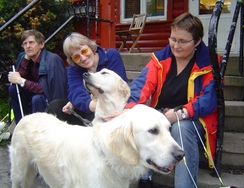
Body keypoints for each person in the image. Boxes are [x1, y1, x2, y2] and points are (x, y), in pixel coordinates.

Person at [105, 12, 219, 188]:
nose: (176, 45)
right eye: (173, 39)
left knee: (182, 127)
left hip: (193, 120)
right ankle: (145, 176)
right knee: (146, 123)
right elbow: (142, 85)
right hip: (162, 116)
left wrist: (180, 113)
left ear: (197, 42)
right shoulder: (160, 59)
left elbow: (209, 99)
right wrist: (129, 109)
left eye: (183, 41)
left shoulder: (209, 63)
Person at [46, 32, 128, 125]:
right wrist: (88, 104)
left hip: (113, 107)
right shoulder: (74, 69)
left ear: (91, 47)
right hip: (89, 107)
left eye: (84, 51)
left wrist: (76, 102)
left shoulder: (111, 56)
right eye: (76, 57)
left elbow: (118, 86)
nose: (83, 58)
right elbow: (75, 91)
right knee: (55, 107)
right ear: (72, 60)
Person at [8, 29, 68, 124]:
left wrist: (22, 81)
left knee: (37, 98)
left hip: (54, 100)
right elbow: (18, 76)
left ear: (41, 45)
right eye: (25, 44)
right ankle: (22, 125)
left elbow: (48, 89)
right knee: (13, 89)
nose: (28, 46)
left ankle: (39, 129)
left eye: (31, 43)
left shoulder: (52, 60)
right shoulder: (28, 59)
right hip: (38, 94)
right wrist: (26, 60)